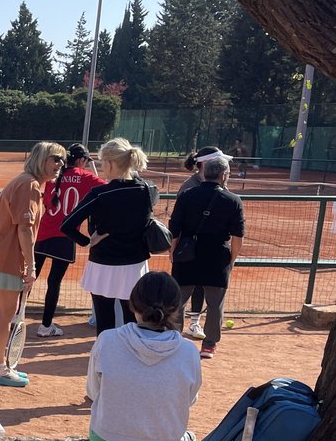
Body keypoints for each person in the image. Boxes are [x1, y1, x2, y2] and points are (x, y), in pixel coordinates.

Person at [0, 142, 66, 387]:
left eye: (62, 160)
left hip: (5, 257)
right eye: (55, 158)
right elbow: (24, 229)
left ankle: (0, 366)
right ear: (41, 158)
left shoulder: (28, 182)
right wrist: (32, 266)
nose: (59, 164)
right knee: (5, 314)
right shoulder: (29, 185)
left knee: (7, 313)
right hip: (7, 259)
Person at [87, 272, 201, 441]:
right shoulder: (189, 350)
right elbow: (188, 399)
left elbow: (93, 392)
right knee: (183, 435)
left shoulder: (107, 339)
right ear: (175, 308)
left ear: (132, 303)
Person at [60, 137, 158, 336]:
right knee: (133, 321)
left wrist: (88, 241)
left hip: (103, 264)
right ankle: (130, 361)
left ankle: (104, 363)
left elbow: (67, 226)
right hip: (134, 264)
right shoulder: (148, 190)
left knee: (104, 323)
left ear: (111, 164)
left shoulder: (100, 193)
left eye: (103, 161)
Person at [169, 154, 245, 359]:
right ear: (224, 176)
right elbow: (237, 236)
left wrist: (172, 253)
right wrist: (232, 259)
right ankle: (209, 345)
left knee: (178, 301)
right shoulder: (233, 200)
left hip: (186, 256)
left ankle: (172, 341)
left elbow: (174, 228)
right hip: (217, 257)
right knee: (215, 304)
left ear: (204, 173)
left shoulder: (187, 195)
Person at [35, 143, 106, 337]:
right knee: (54, 282)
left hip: (43, 231)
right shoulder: (85, 177)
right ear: (81, 160)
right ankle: (46, 326)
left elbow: (47, 200)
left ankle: (16, 318)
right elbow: (108, 189)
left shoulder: (54, 175)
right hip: (65, 235)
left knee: (30, 277)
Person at [176, 146, 222, 339]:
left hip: (211, 248)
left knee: (204, 287)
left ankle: (195, 322)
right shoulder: (189, 187)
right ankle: (174, 333)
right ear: (204, 164)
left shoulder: (221, 187)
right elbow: (178, 221)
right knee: (184, 289)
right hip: (190, 247)